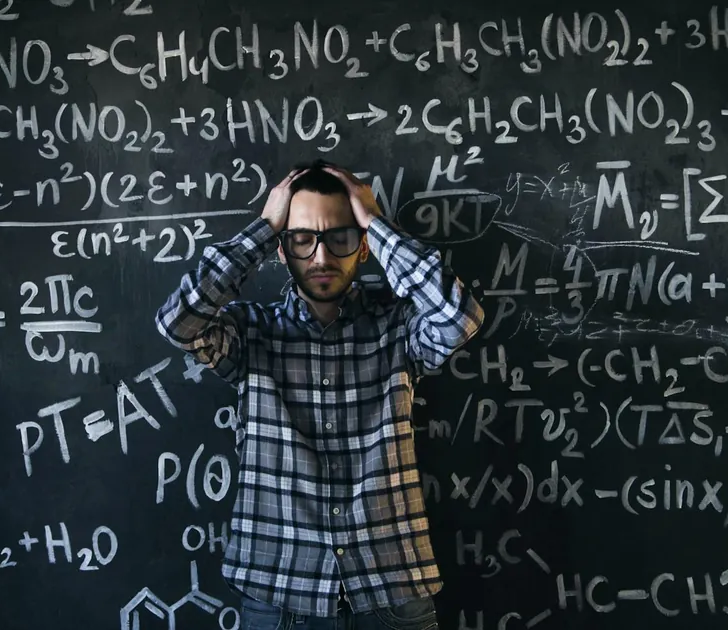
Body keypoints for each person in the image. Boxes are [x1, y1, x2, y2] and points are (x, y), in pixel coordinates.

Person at [155, 160, 485, 630]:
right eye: (302, 239)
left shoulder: (399, 328)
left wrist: (375, 223)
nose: (322, 256)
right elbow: (177, 323)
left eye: (340, 237)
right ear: (282, 248)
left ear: (365, 247)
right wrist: (264, 228)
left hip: (391, 592)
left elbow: (460, 318)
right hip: (279, 595)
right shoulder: (250, 333)